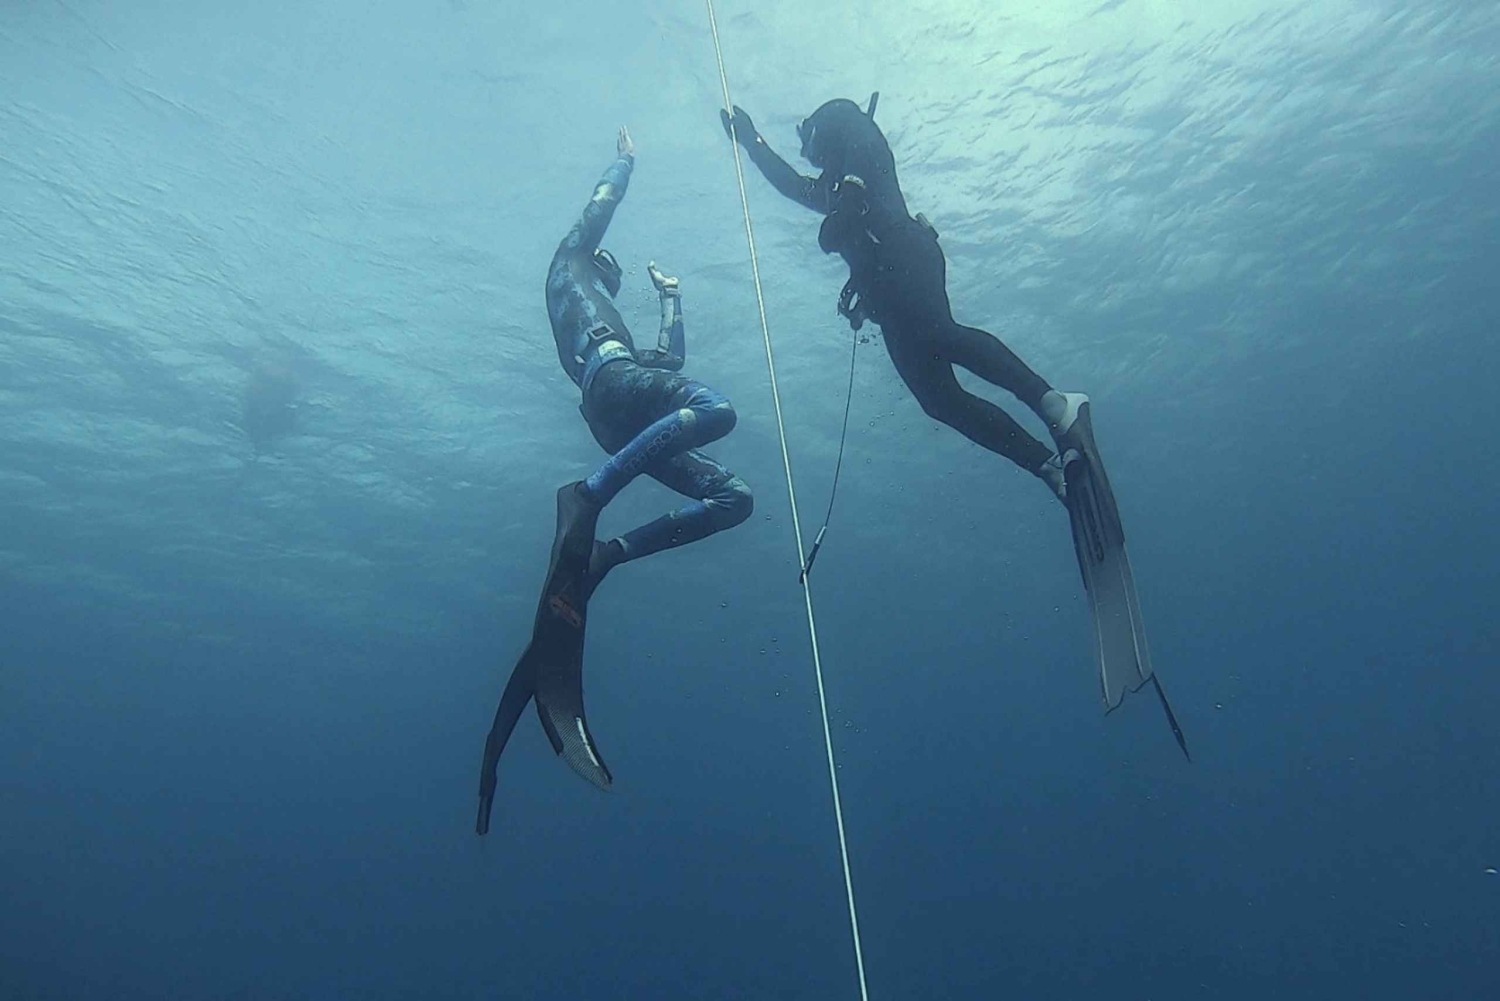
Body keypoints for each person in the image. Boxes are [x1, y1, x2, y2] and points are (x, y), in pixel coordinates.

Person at [719, 97, 1188, 758]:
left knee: (943, 335)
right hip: (887, 296)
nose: (808, 156)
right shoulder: (829, 181)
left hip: (909, 260)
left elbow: (860, 158)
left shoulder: (854, 133)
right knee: (938, 400)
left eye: (807, 141)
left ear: (823, 129)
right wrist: (751, 141)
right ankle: (1051, 466)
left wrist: (850, 200)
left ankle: (1057, 403)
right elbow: (797, 188)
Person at [477, 127, 754, 834]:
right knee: (715, 409)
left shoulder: (596, 305)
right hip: (612, 387)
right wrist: (625, 159)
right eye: (611, 266)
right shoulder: (570, 262)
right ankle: (591, 495)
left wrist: (673, 296)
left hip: (619, 407)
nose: (612, 269)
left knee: (733, 498)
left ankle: (607, 551)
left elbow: (668, 361)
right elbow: (600, 205)